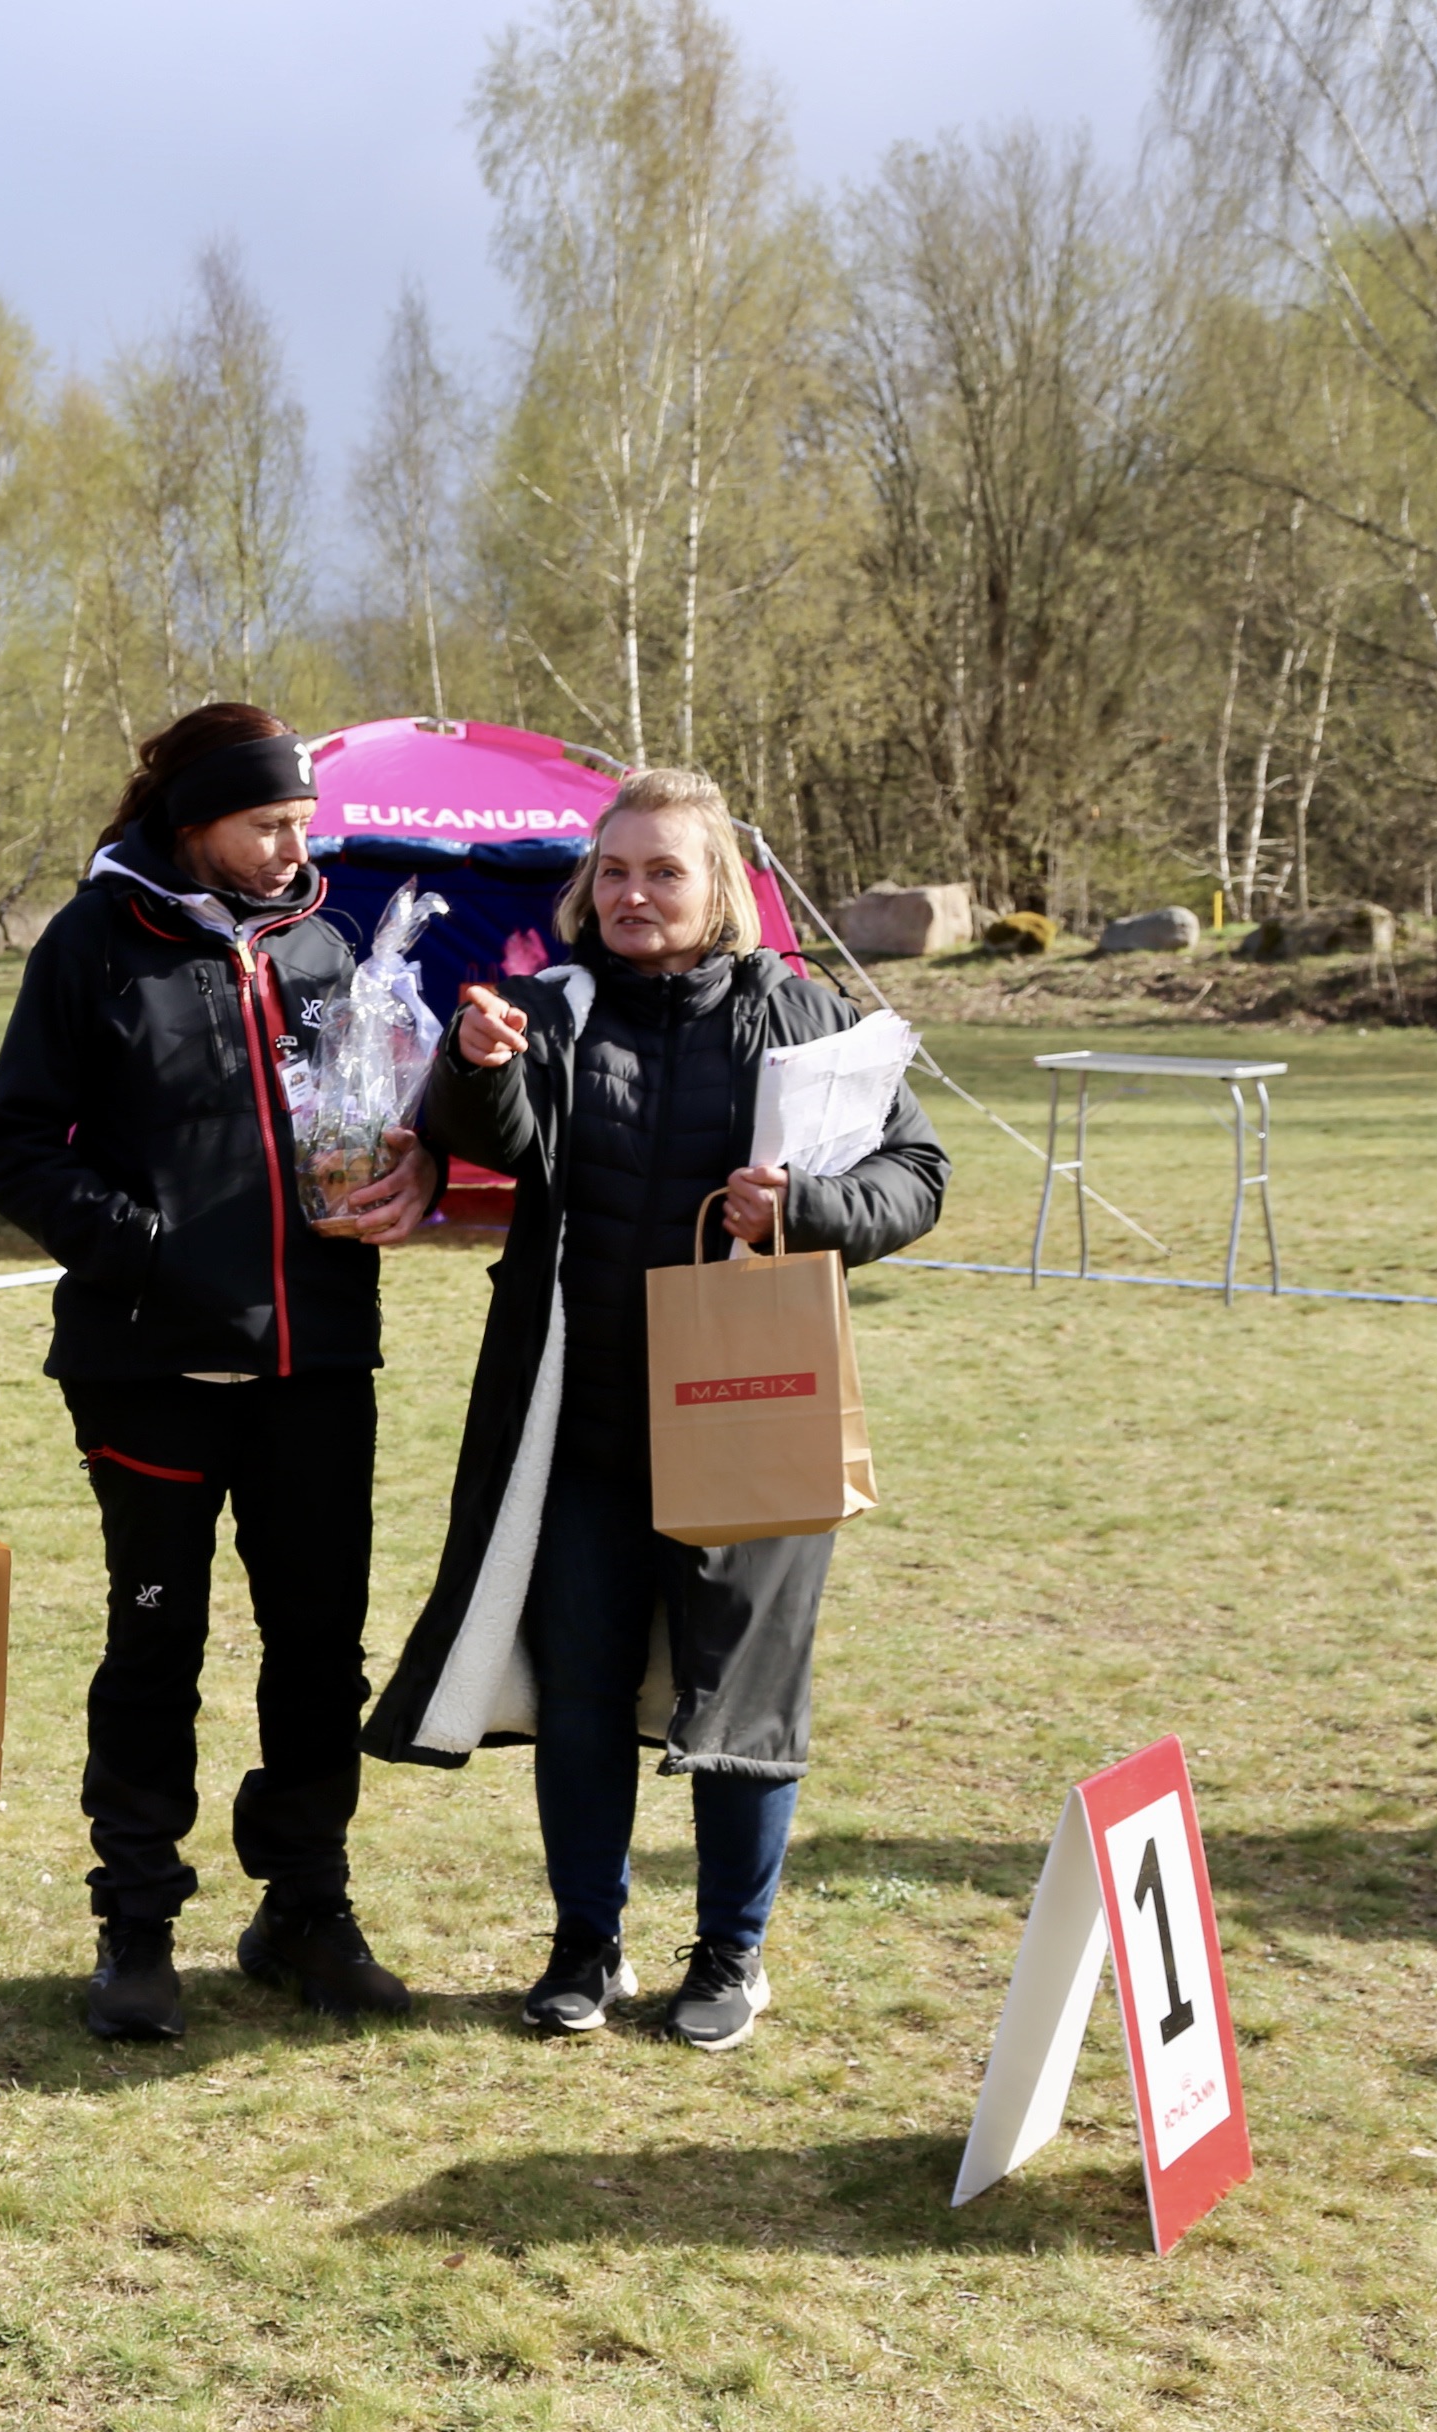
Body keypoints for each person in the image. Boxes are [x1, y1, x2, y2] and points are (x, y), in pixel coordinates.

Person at [361, 771, 948, 2049]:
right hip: (582, 1425)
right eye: (613, 870)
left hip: (756, 1414)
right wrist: (472, 1065)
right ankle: (588, 1943)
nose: (633, 894)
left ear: (719, 884)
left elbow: (917, 1173)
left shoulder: (806, 1016)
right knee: (582, 1691)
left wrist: (805, 1211)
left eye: (663, 871)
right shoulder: (547, 1008)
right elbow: (488, 1140)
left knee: (745, 1698)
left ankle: (733, 1955)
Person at [0, 703, 440, 2041]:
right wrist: (146, 1246)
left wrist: (411, 1170)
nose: (296, 846)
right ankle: (137, 1922)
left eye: (302, 821)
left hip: (317, 1363)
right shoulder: (93, 943)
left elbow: (373, 1119)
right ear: (193, 824)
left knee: (319, 1651)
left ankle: (306, 1906)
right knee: (154, 1642)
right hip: (148, 1367)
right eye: (267, 823)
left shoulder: (331, 945)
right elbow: (15, 1147)